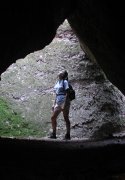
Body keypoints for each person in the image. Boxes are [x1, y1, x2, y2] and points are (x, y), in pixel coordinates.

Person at [49, 70, 71, 140]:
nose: (59, 72)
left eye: (61, 72)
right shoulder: (57, 82)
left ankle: (68, 135)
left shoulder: (65, 82)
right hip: (58, 102)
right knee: (53, 117)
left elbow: (67, 93)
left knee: (66, 118)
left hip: (64, 101)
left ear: (63, 75)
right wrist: (53, 104)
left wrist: (64, 103)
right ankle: (54, 134)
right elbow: (56, 94)